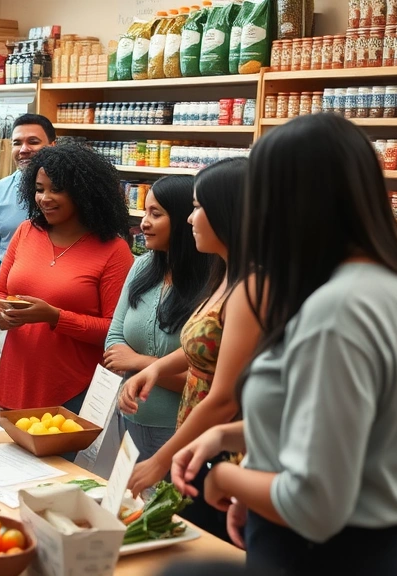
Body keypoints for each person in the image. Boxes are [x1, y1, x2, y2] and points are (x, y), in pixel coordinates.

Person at [171, 114, 397, 574]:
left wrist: (228, 478)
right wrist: (229, 437)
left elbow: (315, 503)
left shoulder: (338, 311)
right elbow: (351, 429)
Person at [120, 158, 258, 542]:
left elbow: (223, 400)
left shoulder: (250, 287)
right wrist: (156, 368)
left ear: (227, 213)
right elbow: (209, 342)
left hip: (222, 449)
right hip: (198, 441)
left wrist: (160, 460)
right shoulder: (225, 273)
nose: (190, 218)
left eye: (198, 207)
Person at [0, 143, 133, 416]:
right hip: (16, 379)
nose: (44, 198)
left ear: (83, 191)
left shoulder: (114, 250)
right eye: (39, 189)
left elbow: (113, 331)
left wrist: (55, 317)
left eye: (56, 189)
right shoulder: (26, 231)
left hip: (74, 390)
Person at [84, 176, 212, 473]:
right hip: (129, 419)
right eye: (145, 212)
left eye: (156, 214)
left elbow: (204, 381)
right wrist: (148, 368)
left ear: (183, 218)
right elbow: (114, 339)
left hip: (181, 430)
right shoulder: (142, 266)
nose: (144, 223)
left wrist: (139, 363)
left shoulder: (212, 284)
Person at [0, 114, 56, 281]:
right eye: (17, 143)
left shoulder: (72, 195)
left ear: (53, 145)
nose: (24, 149)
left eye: (33, 142)